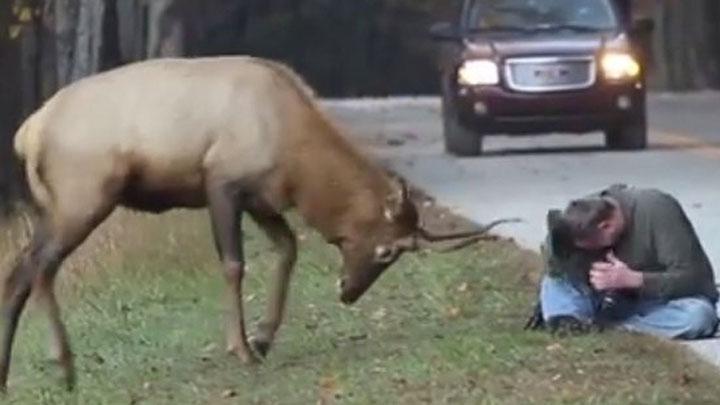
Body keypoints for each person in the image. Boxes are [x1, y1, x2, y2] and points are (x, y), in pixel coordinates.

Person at [526, 184, 719, 339]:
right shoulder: (578, 219)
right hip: (600, 299)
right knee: (556, 280)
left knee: (699, 316)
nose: (588, 252)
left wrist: (634, 280)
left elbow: (697, 280)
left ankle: (613, 328)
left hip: (653, 303)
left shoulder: (656, 210)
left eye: (589, 246)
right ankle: (566, 321)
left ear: (606, 227)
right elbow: (557, 269)